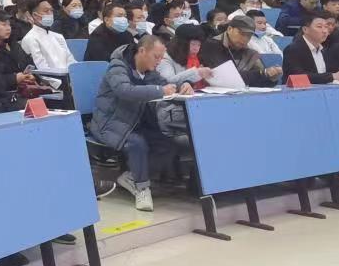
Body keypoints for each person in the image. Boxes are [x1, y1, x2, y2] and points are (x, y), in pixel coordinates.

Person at [91, 34, 193, 212]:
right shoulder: (118, 66)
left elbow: (166, 84)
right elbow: (125, 90)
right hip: (110, 123)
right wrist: (160, 90)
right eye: (156, 57)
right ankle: (142, 189)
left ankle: (132, 177)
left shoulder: (149, 72)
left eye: (161, 57)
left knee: (168, 146)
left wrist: (183, 85)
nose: (159, 61)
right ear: (142, 51)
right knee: (137, 143)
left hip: (137, 122)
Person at [199, 14, 280, 85]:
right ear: (229, 29)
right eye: (242, 34)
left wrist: (271, 77)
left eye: (249, 35)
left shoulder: (250, 53)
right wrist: (262, 73)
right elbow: (228, 78)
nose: (245, 39)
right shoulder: (212, 45)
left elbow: (261, 80)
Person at [282, 12, 339, 85]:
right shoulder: (293, 49)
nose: (325, 31)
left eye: (326, 27)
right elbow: (297, 77)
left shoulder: (324, 50)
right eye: (319, 27)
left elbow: (332, 72)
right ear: (305, 29)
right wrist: (332, 77)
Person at [159, 23, 213, 88]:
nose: (196, 49)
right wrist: (198, 73)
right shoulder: (165, 59)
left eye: (199, 45)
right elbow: (167, 82)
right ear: (180, 44)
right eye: (193, 44)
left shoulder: (199, 57)